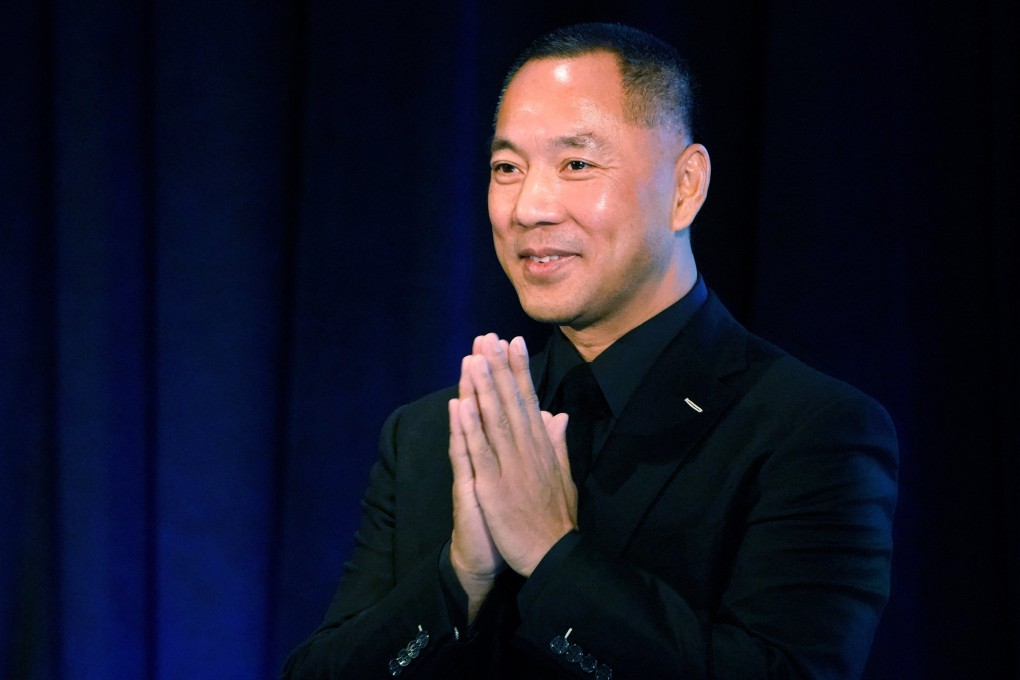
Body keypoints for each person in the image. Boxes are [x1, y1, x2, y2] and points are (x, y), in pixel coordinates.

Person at [282, 22, 898, 679]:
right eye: (506, 169)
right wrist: (460, 575)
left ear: (685, 186)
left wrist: (552, 555)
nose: (529, 208)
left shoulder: (808, 431)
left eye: (576, 164)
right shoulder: (432, 434)